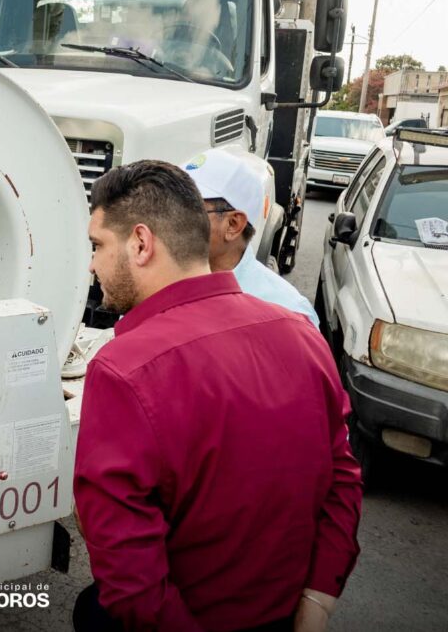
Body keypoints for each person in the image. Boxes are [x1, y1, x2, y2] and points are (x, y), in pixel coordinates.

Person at [73, 160, 362, 632]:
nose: (91, 264)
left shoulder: (123, 370)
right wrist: (319, 596)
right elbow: (343, 476)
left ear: (141, 243)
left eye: (97, 245)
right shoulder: (301, 333)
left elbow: (130, 577)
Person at [184, 149, 320, 327]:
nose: (172, 217)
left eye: (188, 209)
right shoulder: (158, 281)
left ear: (233, 224)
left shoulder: (289, 314)